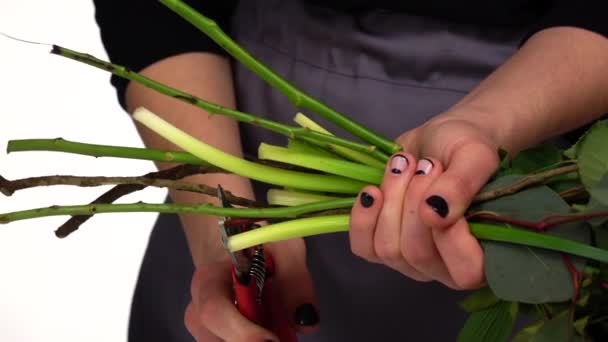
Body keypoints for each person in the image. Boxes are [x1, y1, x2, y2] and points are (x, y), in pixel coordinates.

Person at [92, 1, 608, 341]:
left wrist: (485, 122)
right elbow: (151, 13)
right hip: (233, 128)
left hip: (552, 131)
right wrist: (222, 222)